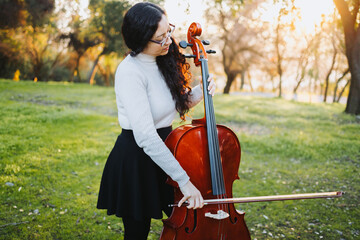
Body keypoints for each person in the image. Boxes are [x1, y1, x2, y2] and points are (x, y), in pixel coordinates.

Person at [97, 2, 216, 239]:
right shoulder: (130, 72)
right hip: (137, 158)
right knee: (137, 233)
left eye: (168, 32)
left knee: (179, 222)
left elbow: (174, 105)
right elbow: (146, 136)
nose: (169, 41)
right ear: (141, 40)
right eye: (161, 38)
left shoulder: (164, 60)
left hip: (168, 149)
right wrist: (184, 180)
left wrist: (202, 90)